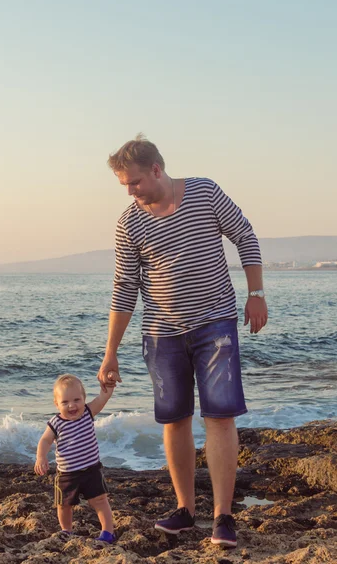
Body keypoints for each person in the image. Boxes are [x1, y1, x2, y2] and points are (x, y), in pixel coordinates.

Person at [98, 134, 268, 548]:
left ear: (156, 169)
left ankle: (223, 516)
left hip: (216, 325)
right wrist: (111, 352)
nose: (130, 191)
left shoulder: (205, 192)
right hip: (161, 334)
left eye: (134, 182)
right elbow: (125, 289)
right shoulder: (129, 222)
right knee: (174, 420)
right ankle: (185, 509)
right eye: (124, 185)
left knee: (220, 417)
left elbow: (245, 235)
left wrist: (256, 293)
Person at [35, 373, 116, 543]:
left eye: (77, 400)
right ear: (57, 404)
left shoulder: (88, 412)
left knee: (100, 500)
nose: (72, 405)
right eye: (65, 402)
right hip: (67, 474)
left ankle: (108, 532)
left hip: (91, 470)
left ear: (84, 399)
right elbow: (45, 440)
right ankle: (67, 530)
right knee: (64, 505)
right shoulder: (55, 423)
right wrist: (41, 457)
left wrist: (109, 383)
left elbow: (103, 398)